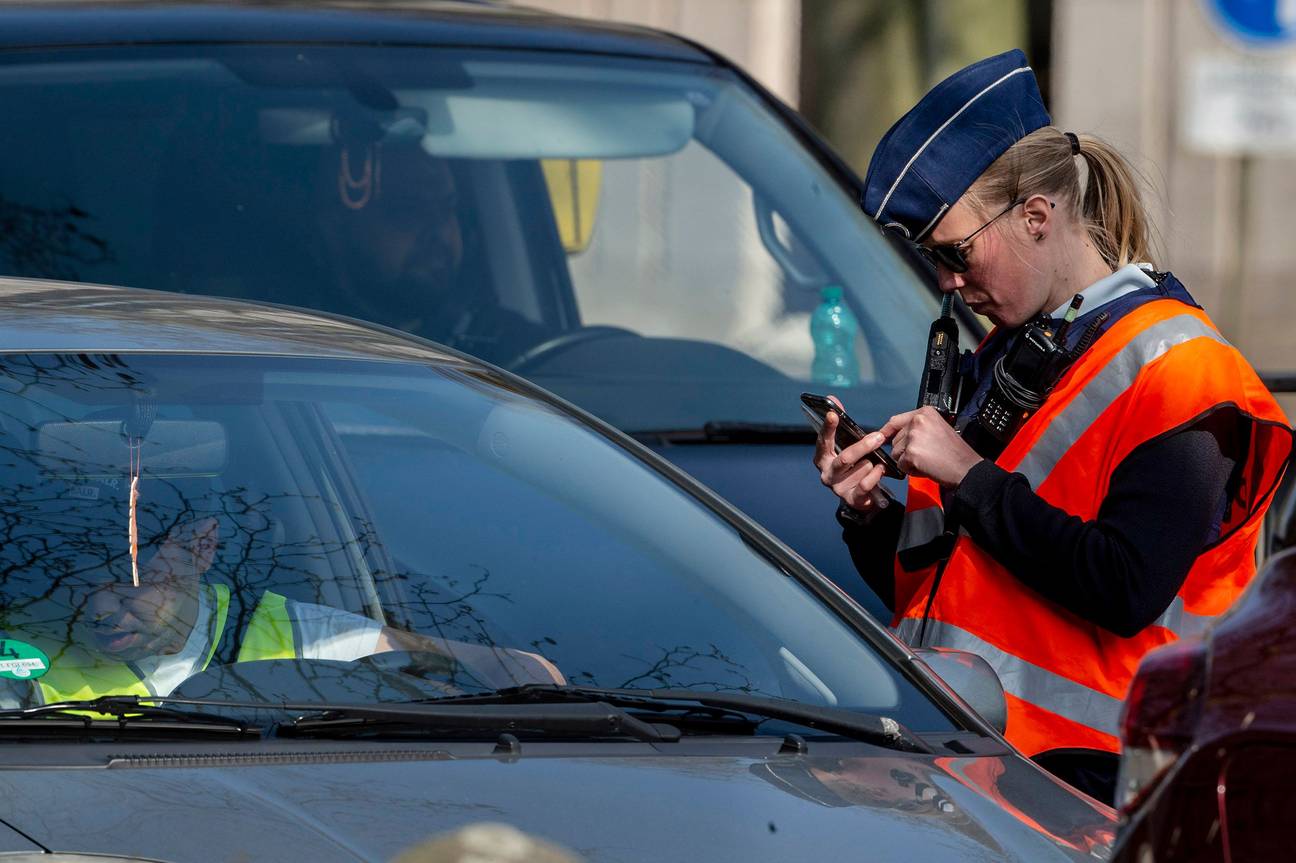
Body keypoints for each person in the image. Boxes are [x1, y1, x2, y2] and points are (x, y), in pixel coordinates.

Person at [813, 49, 1293, 803]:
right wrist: (866, 512)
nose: (947, 282)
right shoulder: (1012, 356)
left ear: (1036, 215)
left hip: (1104, 789)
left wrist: (970, 476)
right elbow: (946, 600)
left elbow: (1126, 585)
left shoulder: (1182, 368)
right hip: (967, 772)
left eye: (956, 253)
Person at [25, 514, 563, 706]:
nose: (98, 610)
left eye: (129, 586)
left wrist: (540, 697)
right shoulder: (22, 645)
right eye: (77, 588)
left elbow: (505, 669)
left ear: (199, 551)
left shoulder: (299, 632)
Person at [309, 139, 550, 367]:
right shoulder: (294, 348)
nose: (440, 231)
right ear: (336, 226)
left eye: (447, 207)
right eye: (408, 210)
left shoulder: (510, 349)